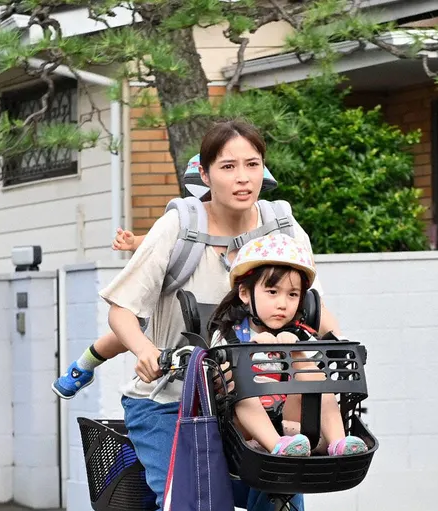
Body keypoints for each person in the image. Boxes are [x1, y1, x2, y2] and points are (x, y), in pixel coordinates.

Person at [102, 119, 335, 511]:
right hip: (172, 399)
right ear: (203, 175)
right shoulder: (177, 229)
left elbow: (308, 308)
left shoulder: (282, 228)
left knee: (283, 474)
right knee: (188, 505)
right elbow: (121, 312)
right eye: (228, 166)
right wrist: (147, 351)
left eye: (252, 164)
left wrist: (334, 348)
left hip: (249, 395)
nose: (242, 177)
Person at [52, 154, 282, 399]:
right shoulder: (182, 224)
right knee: (127, 331)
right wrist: (134, 242)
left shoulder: (264, 231)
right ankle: (84, 365)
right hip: (166, 323)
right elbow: (123, 311)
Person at [207, 232, 367, 457]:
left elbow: (315, 381)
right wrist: (249, 353)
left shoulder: (301, 335)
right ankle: (276, 445)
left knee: (323, 388)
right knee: (239, 391)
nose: (282, 304)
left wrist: (296, 353)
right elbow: (218, 384)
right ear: (244, 293)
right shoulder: (230, 335)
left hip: (296, 430)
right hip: (248, 432)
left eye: (292, 295)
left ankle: (338, 442)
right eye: (272, 292)